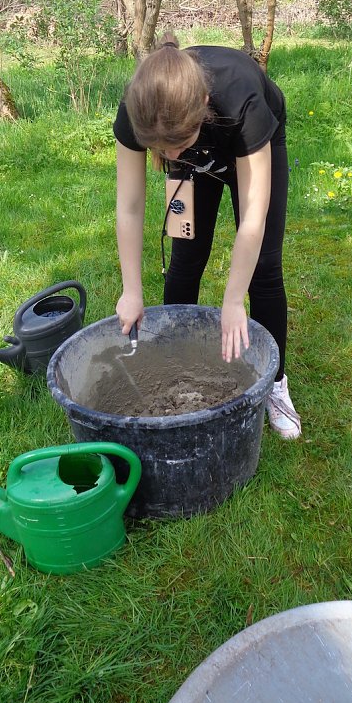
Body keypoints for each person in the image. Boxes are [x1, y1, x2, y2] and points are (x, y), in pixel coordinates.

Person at [113, 34, 301, 439]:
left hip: (246, 141)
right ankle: (174, 366)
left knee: (264, 269)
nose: (172, 157)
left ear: (200, 108)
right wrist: (131, 291)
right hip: (191, 137)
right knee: (185, 256)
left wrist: (234, 301)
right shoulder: (141, 111)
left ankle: (276, 384)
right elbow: (128, 207)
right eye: (160, 151)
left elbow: (253, 216)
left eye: (177, 146)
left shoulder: (241, 100)